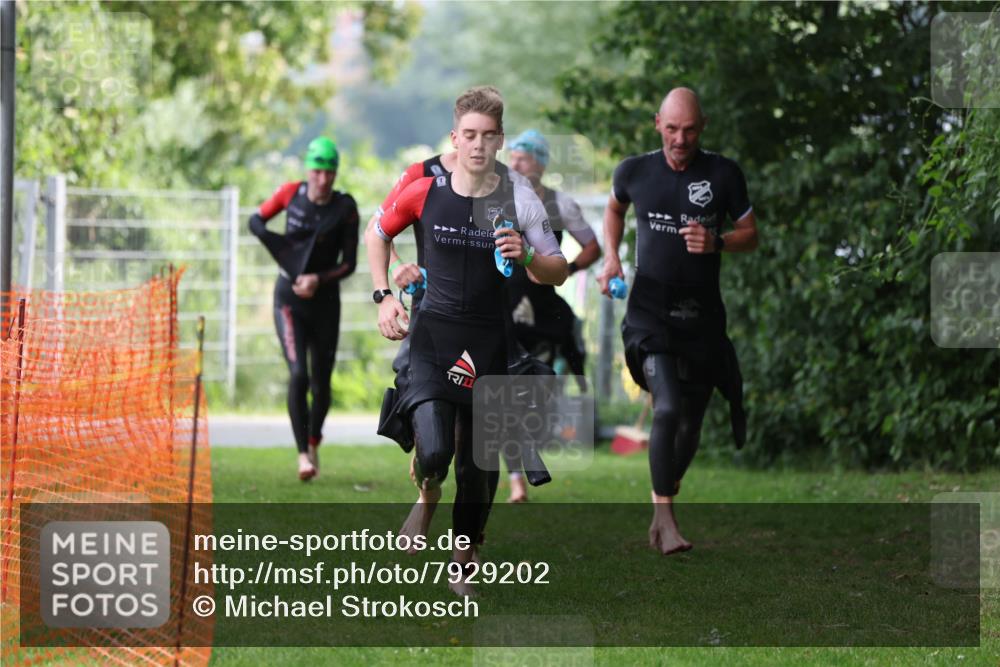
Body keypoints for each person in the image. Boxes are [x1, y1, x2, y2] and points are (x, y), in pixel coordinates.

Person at [366, 86, 567, 595]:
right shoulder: (425, 189)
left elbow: (558, 270)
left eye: (488, 136)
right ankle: (428, 492)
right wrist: (384, 295)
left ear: (500, 140)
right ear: (455, 137)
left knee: (477, 468)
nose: (477, 145)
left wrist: (527, 258)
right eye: (468, 135)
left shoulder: (519, 196)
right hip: (433, 335)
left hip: (489, 341)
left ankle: (463, 557)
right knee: (434, 451)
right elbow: (377, 233)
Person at [597, 88, 758, 555]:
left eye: (688, 130)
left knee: (690, 423)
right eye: (671, 129)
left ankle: (665, 493)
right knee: (665, 408)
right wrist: (611, 257)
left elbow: (752, 234)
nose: (680, 139)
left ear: (702, 126)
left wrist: (719, 243)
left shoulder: (724, 174)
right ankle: (666, 522)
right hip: (649, 313)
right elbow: (614, 207)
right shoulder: (634, 171)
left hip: (703, 317)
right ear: (657, 125)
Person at [249, 136, 359, 481]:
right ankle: (302, 457)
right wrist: (286, 257)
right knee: (298, 374)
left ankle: (313, 442)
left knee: (321, 384)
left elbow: (350, 263)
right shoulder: (289, 194)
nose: (323, 179)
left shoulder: (345, 208)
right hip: (289, 300)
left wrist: (316, 279)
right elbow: (256, 222)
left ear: (335, 173)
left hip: (325, 302)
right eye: (317, 171)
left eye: (329, 172)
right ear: (307, 170)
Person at [503, 129, 601, 502]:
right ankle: (515, 479)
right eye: (512, 157)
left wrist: (569, 270)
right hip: (505, 303)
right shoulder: (496, 199)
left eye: (524, 158)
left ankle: (533, 444)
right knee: (505, 389)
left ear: (541, 164)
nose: (515, 163)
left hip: (543, 305)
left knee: (539, 390)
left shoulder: (560, 204)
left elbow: (592, 245)